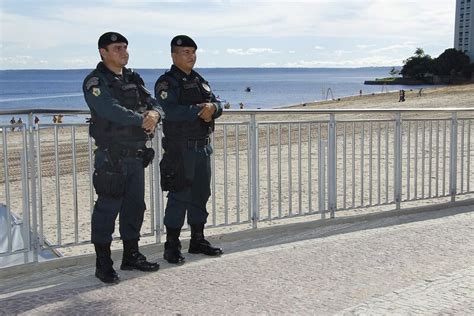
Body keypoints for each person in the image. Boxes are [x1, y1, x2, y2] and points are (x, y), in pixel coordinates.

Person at [83, 32, 164, 283]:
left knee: (134, 208)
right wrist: (143, 119)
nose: (124, 52)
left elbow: (155, 103)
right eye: (117, 48)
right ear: (103, 52)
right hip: (112, 157)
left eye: (125, 47)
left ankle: (131, 255)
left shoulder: (133, 78)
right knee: (107, 209)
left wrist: (156, 115)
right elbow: (109, 110)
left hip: (136, 156)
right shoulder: (96, 82)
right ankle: (103, 263)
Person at [154, 35, 223, 264]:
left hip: (203, 148)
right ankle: (172, 246)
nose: (191, 56)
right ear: (174, 55)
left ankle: (197, 240)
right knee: (178, 196)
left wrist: (213, 107)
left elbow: (218, 103)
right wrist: (199, 110)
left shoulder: (200, 80)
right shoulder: (167, 82)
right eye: (185, 52)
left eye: (193, 52)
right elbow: (169, 110)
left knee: (201, 195)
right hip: (180, 150)